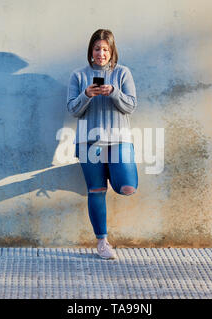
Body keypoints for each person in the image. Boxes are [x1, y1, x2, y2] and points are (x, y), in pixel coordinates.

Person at [67, 29, 138, 259]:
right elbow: (73, 109)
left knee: (128, 187)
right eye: (97, 49)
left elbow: (131, 106)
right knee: (96, 191)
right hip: (90, 142)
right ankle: (102, 242)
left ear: (112, 51)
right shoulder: (78, 76)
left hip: (119, 140)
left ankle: (111, 172)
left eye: (105, 49)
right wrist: (87, 94)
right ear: (91, 51)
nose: (101, 53)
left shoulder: (123, 73)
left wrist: (114, 92)